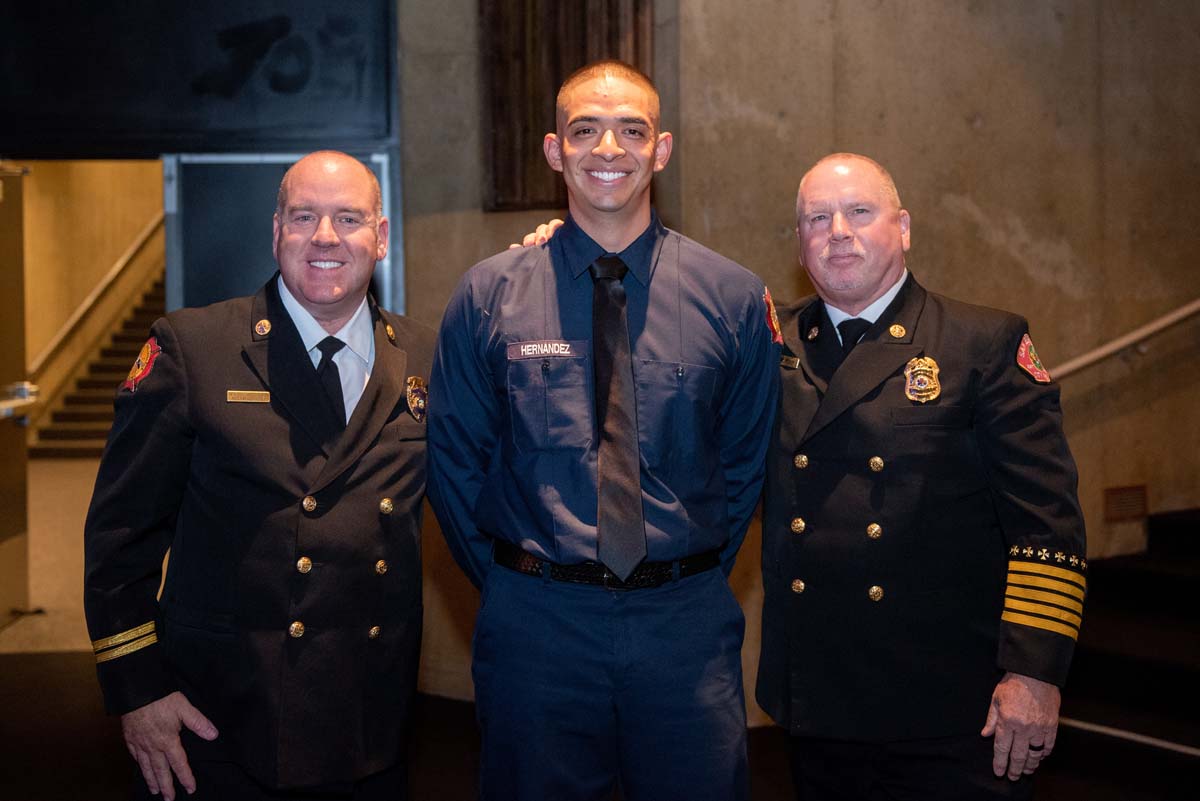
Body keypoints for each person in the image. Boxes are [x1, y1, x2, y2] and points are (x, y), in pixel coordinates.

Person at [426, 61, 780, 801]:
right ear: (555, 150)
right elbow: (455, 462)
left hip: (683, 627)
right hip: (537, 628)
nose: (608, 148)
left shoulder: (733, 296)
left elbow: (745, 462)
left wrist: (686, 576)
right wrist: (515, 585)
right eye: (584, 129)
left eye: (632, 130)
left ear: (662, 149)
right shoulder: (490, 293)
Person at [83, 150, 435, 800]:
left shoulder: (424, 356)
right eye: (303, 217)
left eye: (348, 218)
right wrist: (138, 690)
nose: (324, 237)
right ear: (276, 232)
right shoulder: (194, 348)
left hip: (369, 719)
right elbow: (119, 538)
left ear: (381, 237)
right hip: (221, 719)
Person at [757, 152, 1087, 800]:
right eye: (817, 218)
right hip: (818, 701)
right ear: (799, 242)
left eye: (859, 212)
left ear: (903, 227)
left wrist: (1034, 670)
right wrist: (567, 247)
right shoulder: (770, 343)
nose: (838, 232)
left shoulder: (981, 344)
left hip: (952, 706)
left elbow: (1047, 522)